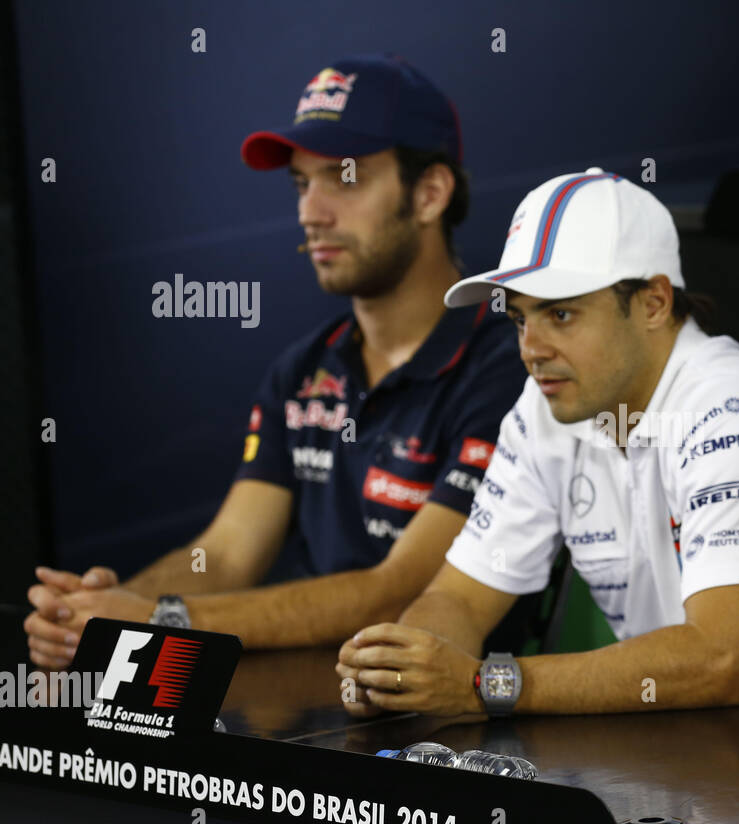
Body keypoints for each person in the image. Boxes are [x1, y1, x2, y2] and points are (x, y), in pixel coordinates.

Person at [24, 55, 523, 663]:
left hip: (452, 736)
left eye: (343, 178)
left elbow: (396, 593)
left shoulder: (509, 368)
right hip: (308, 724)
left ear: (430, 194)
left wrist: (160, 618)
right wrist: (101, 608)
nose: (310, 213)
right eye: (300, 183)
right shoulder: (303, 370)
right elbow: (230, 552)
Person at [336, 170, 739, 717]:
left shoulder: (732, 409)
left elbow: (719, 659)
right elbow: (460, 598)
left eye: (560, 314)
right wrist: (400, 668)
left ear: (655, 302)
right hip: (679, 743)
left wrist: (483, 685)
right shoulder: (543, 408)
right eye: (520, 318)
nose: (530, 348)